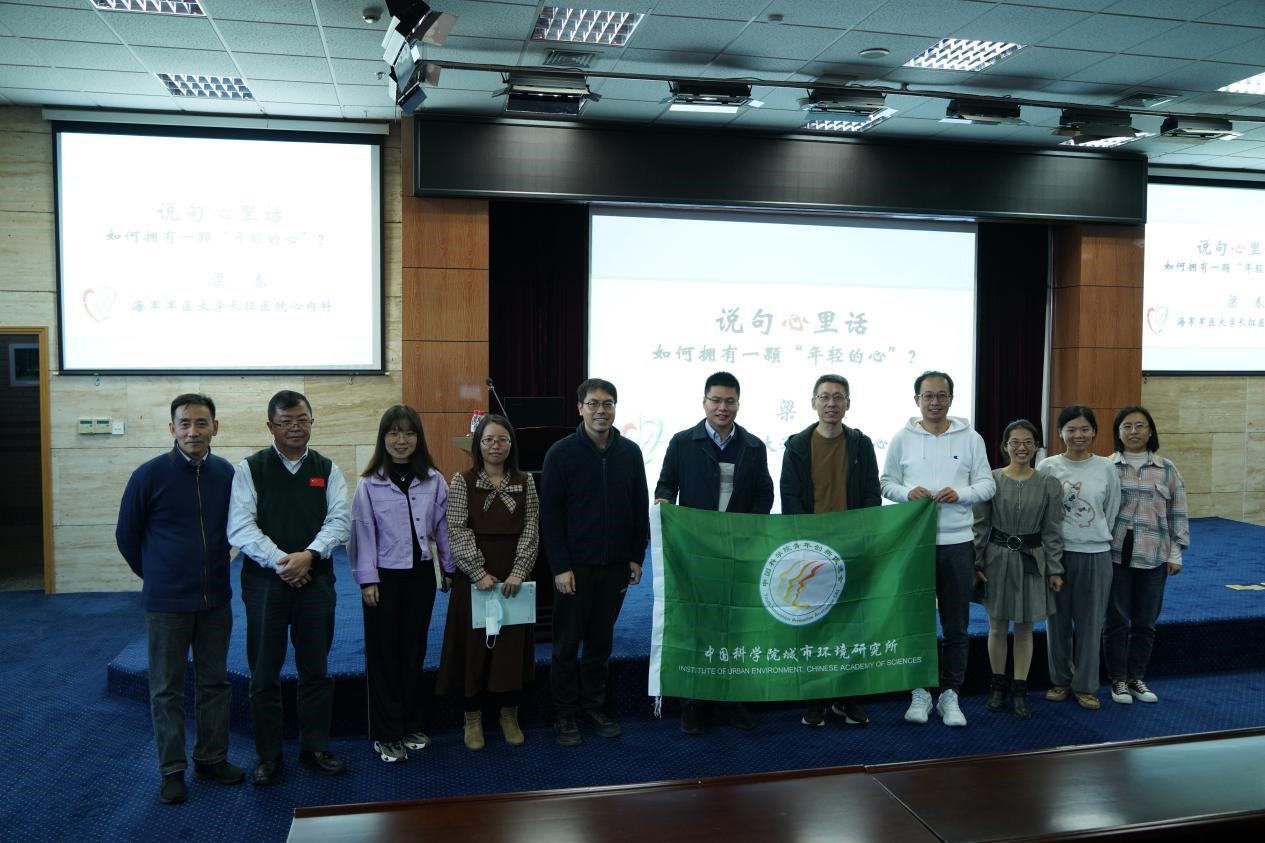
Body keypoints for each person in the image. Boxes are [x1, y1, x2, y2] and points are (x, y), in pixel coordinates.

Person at [115, 393, 245, 804]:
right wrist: (156, 575)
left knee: (214, 684)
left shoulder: (226, 473)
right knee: (166, 689)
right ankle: (172, 769)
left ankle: (211, 758)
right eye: (184, 423)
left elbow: (238, 528)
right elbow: (126, 536)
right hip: (166, 604)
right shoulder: (148, 475)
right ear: (172, 428)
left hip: (215, 600)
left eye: (201, 423)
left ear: (215, 428)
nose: (193, 431)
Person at [228, 390, 351, 785]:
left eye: (302, 420)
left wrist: (309, 556)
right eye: (286, 422)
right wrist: (284, 561)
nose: (295, 428)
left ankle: (315, 747)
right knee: (264, 672)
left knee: (316, 669)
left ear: (312, 422)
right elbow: (240, 527)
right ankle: (269, 756)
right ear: (271, 426)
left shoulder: (327, 469)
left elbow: (340, 521)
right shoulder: (251, 469)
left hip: (316, 580)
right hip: (266, 584)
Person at [654, 371, 773, 735]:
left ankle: (733, 697)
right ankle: (694, 702)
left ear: (738, 404)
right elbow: (666, 485)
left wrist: (748, 533)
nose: (723, 407)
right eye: (716, 400)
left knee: (735, 625)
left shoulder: (753, 446)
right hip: (695, 552)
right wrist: (664, 503)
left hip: (738, 551)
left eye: (729, 401)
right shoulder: (682, 442)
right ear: (704, 402)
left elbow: (764, 494)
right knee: (696, 623)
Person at [881, 370, 995, 727]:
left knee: (956, 624)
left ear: (951, 399)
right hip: (914, 543)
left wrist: (961, 494)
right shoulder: (902, 438)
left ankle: (950, 694)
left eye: (941, 395)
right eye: (928, 395)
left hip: (957, 543)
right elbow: (886, 483)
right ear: (917, 400)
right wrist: (906, 493)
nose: (935, 402)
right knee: (916, 623)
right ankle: (920, 692)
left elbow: (987, 484)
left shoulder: (971, 438)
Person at [541, 378, 650, 747]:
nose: (601, 410)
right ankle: (565, 714)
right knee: (566, 644)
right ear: (580, 408)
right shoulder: (561, 453)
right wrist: (560, 566)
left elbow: (639, 507)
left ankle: (593, 707)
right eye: (593, 404)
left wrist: (636, 555)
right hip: (574, 569)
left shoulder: (630, 453)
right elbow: (550, 515)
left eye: (608, 404)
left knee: (601, 644)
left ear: (615, 408)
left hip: (615, 567)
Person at [348, 405, 454, 764]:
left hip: (420, 575)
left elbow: (444, 528)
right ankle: (386, 732)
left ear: (418, 438)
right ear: (383, 438)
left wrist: (449, 568)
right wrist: (367, 580)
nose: (401, 440)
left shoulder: (434, 480)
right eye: (393, 433)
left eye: (409, 432)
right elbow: (361, 533)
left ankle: (410, 725)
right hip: (383, 578)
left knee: (413, 652)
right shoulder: (369, 483)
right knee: (384, 655)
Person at [780, 374, 880, 729]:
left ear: (848, 404)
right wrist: (806, 541)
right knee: (815, 626)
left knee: (851, 624)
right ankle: (816, 699)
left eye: (838, 397)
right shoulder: (796, 445)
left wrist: (860, 537)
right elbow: (790, 496)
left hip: (851, 548)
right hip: (812, 552)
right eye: (824, 397)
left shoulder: (861, 444)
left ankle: (847, 697)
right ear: (813, 403)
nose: (831, 403)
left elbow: (871, 493)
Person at [438, 413, 539, 750]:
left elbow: (531, 528)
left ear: (511, 445)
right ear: (478, 445)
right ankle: (472, 717)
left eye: (502, 440)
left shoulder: (526, 481)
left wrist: (519, 570)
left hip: (513, 577)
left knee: (510, 647)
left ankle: (509, 714)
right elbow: (456, 529)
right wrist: (477, 572)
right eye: (488, 440)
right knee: (474, 648)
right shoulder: (462, 481)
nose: (495, 446)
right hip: (475, 578)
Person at [972, 419, 1064, 720]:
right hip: (997, 559)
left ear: (1037, 446)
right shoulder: (992, 481)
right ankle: (997, 685)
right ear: (1004, 446)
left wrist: (1055, 569)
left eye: (1028, 442)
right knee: (997, 627)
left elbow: (1052, 531)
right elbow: (979, 526)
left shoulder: (1048, 484)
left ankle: (1020, 688)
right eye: (1015, 442)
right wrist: (976, 563)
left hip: (1032, 560)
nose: (1021, 448)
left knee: (1025, 628)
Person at [1036, 404, 1121, 711]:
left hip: (1095, 555)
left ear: (1094, 432)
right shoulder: (1048, 466)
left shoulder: (1106, 467)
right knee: (1056, 622)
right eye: (1071, 429)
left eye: (1085, 429)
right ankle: (1060, 680)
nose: (1078, 435)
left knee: (1090, 623)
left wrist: (1094, 534)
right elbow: (1041, 512)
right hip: (1057, 555)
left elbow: (1111, 509)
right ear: (1060, 433)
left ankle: (1085, 686)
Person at [1105, 405, 1189, 705]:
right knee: (1116, 621)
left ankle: (1136, 678)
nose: (1134, 431)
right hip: (1115, 553)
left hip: (1154, 553)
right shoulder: (1107, 467)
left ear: (1150, 431)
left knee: (1145, 622)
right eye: (1126, 426)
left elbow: (1177, 512)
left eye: (1140, 426)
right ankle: (1117, 680)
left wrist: (1176, 554)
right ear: (1118, 433)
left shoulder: (1167, 469)